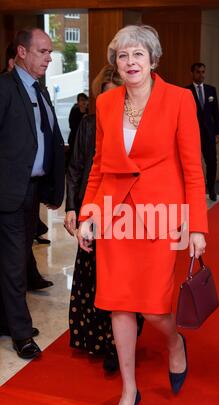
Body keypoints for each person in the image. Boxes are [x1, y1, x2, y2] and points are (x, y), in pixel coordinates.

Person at [77, 25, 208, 405]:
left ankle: (174, 342)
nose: (130, 62)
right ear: (115, 63)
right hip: (116, 217)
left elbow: (192, 167)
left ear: (153, 59)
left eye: (137, 54)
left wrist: (198, 225)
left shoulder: (179, 99)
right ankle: (129, 390)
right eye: (122, 56)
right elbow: (99, 165)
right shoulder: (106, 102)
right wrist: (87, 214)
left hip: (160, 217)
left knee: (153, 307)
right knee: (119, 304)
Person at [65, 65, 144, 372]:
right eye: (107, 95)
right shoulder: (88, 124)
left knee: (124, 279)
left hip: (127, 211)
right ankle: (96, 338)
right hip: (94, 208)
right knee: (94, 278)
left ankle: (119, 344)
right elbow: (76, 167)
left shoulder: (138, 125)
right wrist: (73, 207)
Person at [0, 28, 65, 358]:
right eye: (43, 51)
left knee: (17, 259)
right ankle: (21, 334)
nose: (49, 58)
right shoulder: (5, 88)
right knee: (14, 264)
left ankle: (6, 320)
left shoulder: (40, 91)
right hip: (9, 193)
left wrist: (54, 188)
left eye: (50, 52)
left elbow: (48, 139)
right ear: (22, 53)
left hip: (32, 190)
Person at [187, 63, 219, 201]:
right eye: (198, 72)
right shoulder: (185, 91)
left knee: (212, 161)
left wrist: (218, 132)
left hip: (209, 133)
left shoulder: (211, 90)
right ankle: (194, 190)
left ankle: (211, 188)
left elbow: (216, 113)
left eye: (203, 72)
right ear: (192, 73)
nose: (201, 75)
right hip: (192, 134)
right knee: (193, 164)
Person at [67, 92, 89, 163]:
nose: (83, 102)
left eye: (85, 100)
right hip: (74, 138)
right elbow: (72, 125)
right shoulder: (75, 109)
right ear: (78, 102)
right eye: (81, 100)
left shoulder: (89, 110)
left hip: (85, 139)